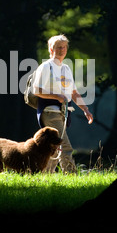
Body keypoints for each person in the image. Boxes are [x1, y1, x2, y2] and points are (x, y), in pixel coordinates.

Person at [33, 34, 93, 173]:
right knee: (64, 145)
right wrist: (57, 96)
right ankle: (72, 176)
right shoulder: (46, 67)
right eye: (58, 47)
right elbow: (36, 90)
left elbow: (74, 92)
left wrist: (85, 110)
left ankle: (44, 175)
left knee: (53, 148)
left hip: (62, 113)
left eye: (64, 47)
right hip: (49, 112)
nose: (62, 50)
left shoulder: (65, 68)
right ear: (51, 49)